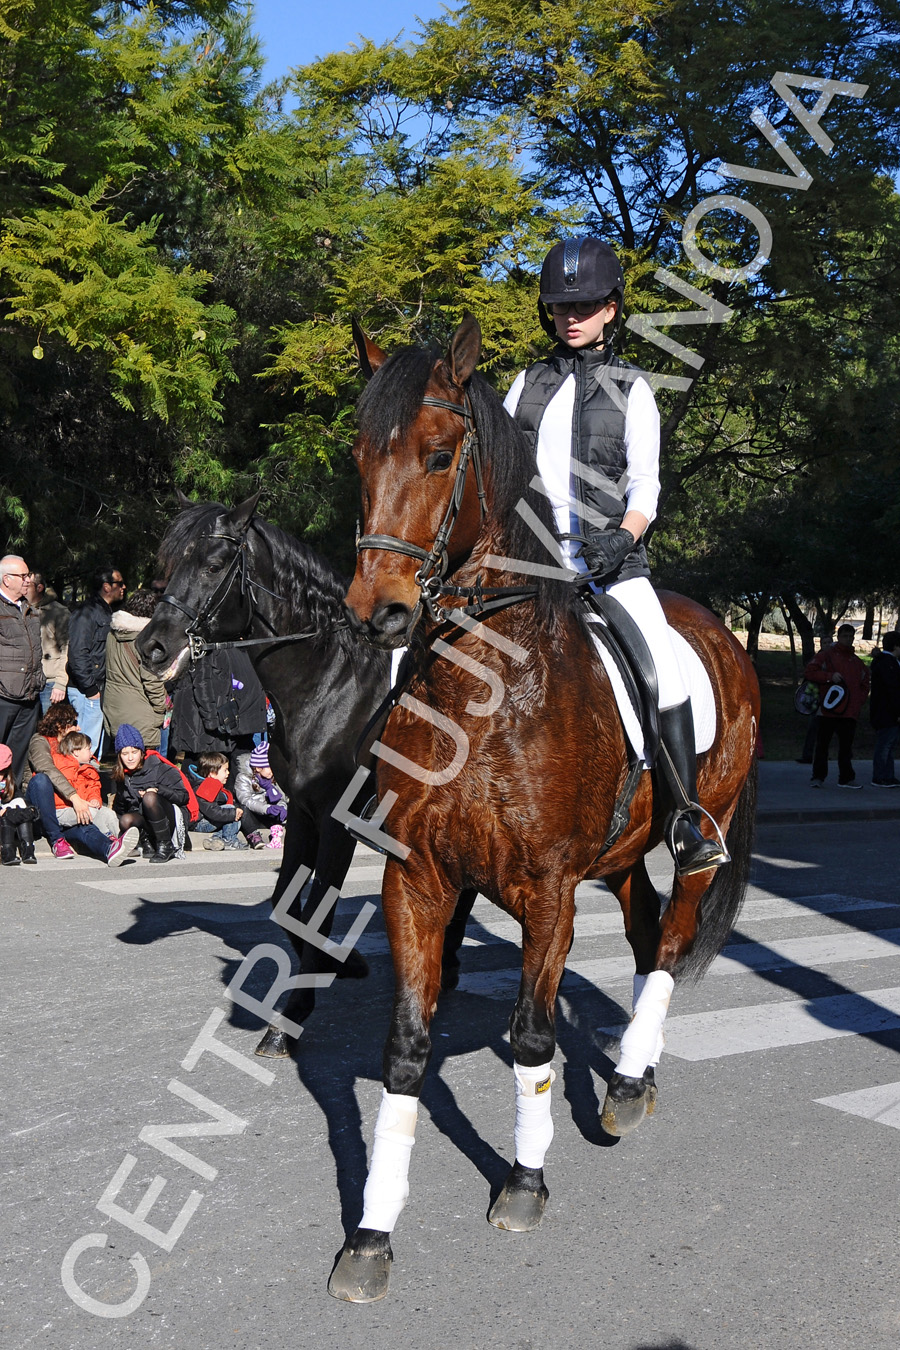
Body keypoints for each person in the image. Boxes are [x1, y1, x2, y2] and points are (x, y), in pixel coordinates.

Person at [502, 235, 726, 875]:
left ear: (611, 309)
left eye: (587, 305)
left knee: (664, 667)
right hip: (532, 569)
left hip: (610, 565)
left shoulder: (635, 390)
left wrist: (622, 538)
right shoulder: (525, 384)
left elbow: (646, 487)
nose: (571, 317)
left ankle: (685, 816)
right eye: (560, 307)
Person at [23, 702, 121, 861]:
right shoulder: (40, 740)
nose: (78, 728)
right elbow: (46, 768)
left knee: (85, 827)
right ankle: (56, 840)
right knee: (41, 780)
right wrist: (75, 797)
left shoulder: (68, 745)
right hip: (42, 807)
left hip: (67, 808)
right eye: (74, 723)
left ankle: (110, 849)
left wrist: (89, 799)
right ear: (59, 725)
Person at [167, 647, 266, 786]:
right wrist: (212, 720)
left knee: (227, 766)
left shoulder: (240, 647)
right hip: (205, 723)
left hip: (231, 719)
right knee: (203, 769)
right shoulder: (209, 647)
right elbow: (202, 682)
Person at [50, 729, 138, 865]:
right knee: (91, 812)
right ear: (76, 751)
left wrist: (95, 798)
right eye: (88, 749)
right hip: (63, 810)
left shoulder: (89, 767)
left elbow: (93, 786)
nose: (92, 753)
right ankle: (110, 840)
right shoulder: (62, 765)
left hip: (84, 807)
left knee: (108, 813)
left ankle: (121, 840)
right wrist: (85, 803)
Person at [66, 565, 127, 756]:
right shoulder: (86, 613)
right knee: (84, 749)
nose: (124, 587)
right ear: (106, 587)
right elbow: (77, 654)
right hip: (87, 691)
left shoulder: (107, 611)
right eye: (120, 583)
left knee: (95, 749)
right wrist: (92, 690)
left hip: (100, 689)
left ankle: (92, 785)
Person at [112, 724, 193, 863]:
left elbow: (183, 797)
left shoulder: (159, 768)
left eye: (134, 752)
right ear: (119, 756)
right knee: (125, 819)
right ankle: (147, 843)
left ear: (142, 752)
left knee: (149, 798)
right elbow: (120, 807)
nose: (130, 758)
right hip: (146, 821)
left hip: (170, 819)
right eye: (125, 754)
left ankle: (165, 845)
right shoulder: (122, 776)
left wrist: (158, 790)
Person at [804, 623, 870, 788]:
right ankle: (818, 777)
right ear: (838, 637)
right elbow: (810, 672)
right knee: (822, 746)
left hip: (849, 712)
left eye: (851, 636)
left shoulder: (857, 662)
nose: (848, 639)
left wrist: (858, 700)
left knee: (846, 748)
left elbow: (865, 683)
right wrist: (829, 676)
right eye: (845, 636)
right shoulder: (826, 656)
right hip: (828, 710)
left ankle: (846, 778)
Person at [102, 589, 168, 750]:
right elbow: (151, 680)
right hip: (142, 713)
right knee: (148, 767)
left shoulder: (113, 633)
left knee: (125, 761)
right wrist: (163, 708)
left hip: (115, 707)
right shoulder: (148, 640)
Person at [0, 554, 45, 787]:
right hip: (3, 697)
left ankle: (9, 801)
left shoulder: (30, 610)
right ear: (7, 580)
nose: (28, 579)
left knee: (17, 758)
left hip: (29, 696)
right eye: (23, 575)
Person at [24, 572, 70, 715]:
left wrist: (61, 683)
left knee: (49, 730)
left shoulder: (59, 612)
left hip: (50, 684)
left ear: (39, 588)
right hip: (26, 683)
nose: (23, 586)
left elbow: (67, 648)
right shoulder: (20, 610)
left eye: (28, 584)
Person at [234, 741, 286, 850]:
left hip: (268, 814)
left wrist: (282, 807)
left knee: (285, 807)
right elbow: (246, 800)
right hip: (254, 814)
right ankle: (253, 835)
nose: (272, 771)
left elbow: (281, 797)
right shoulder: (243, 778)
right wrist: (267, 808)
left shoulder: (272, 778)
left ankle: (277, 831)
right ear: (258, 768)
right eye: (269, 767)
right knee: (242, 807)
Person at [192, 751, 247, 850]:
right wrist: (232, 813)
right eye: (225, 770)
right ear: (212, 773)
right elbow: (211, 811)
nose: (228, 773)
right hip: (200, 823)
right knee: (231, 811)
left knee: (234, 812)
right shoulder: (206, 787)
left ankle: (216, 839)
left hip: (210, 820)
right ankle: (229, 840)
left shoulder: (216, 785)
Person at [868, 630, 900, 787]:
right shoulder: (889, 664)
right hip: (887, 711)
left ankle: (887, 775)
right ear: (896, 646)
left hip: (882, 710)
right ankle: (880, 776)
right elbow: (893, 689)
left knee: (888, 744)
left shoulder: (884, 662)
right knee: (885, 744)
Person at [0, 742, 39, 865]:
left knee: (22, 811)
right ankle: (7, 852)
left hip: (7, 816)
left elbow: (18, 797)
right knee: (7, 816)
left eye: (2, 772)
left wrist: (29, 809)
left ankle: (28, 850)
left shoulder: (7, 784)